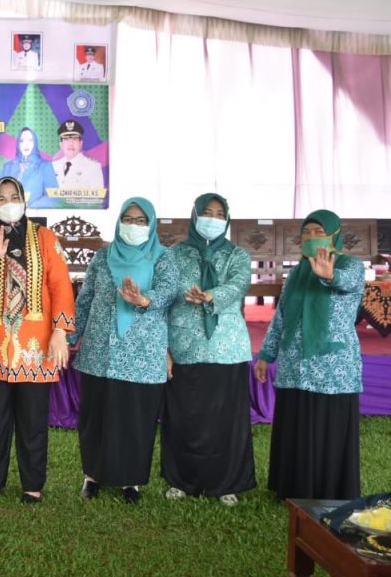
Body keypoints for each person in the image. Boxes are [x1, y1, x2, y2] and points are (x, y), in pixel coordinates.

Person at [0, 177, 75, 504]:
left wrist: (60, 331)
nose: (8, 201)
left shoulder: (45, 238)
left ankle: (32, 484)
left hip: (35, 344)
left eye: (14, 196)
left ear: (24, 200)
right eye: (2, 197)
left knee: (33, 418)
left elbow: (61, 287)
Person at [68, 197, 178, 504]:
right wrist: (68, 337)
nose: (134, 226)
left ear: (152, 224)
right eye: (128, 219)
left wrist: (145, 300)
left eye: (141, 221)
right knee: (96, 417)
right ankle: (93, 475)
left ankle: (132, 481)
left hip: (142, 354)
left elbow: (171, 290)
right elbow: (85, 299)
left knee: (136, 418)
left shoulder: (162, 258)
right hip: (99, 352)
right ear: (118, 222)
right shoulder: (103, 257)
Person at [255, 209, 364, 500]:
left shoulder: (351, 266)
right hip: (295, 364)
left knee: (326, 428)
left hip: (333, 367)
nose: (313, 237)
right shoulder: (296, 274)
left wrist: (329, 275)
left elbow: (347, 283)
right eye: (307, 232)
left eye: (320, 232)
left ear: (334, 236)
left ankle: (328, 491)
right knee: (297, 425)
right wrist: (266, 354)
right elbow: (281, 316)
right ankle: (291, 488)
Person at [163, 194, 255, 506]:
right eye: (206, 212)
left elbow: (240, 284)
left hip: (225, 346)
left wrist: (211, 296)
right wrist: (165, 348)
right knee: (183, 416)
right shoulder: (175, 254)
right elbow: (165, 296)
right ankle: (180, 480)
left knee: (225, 419)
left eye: (219, 213)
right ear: (194, 215)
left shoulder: (237, 255)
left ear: (227, 219)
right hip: (184, 344)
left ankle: (226, 482)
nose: (212, 218)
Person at [0, 127, 59, 208]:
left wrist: (31, 207)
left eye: (30, 140)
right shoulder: (7, 167)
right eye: (22, 141)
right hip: (8, 216)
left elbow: (53, 197)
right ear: (18, 144)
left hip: (34, 216)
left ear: (35, 143)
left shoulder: (45, 166)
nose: (26, 144)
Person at [52, 120, 104, 189]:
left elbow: (98, 197)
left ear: (80, 143)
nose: (71, 143)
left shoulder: (93, 167)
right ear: (61, 144)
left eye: (74, 139)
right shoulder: (53, 166)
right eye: (66, 139)